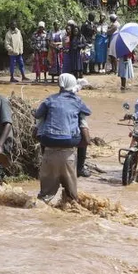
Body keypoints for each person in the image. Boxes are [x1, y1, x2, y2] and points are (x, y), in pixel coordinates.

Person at [35, 74, 91, 203]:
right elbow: (87, 112)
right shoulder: (77, 101)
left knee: (44, 197)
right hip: (69, 145)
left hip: (49, 144)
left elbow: (38, 115)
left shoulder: (49, 100)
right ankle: (80, 167)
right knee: (72, 199)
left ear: (60, 85)